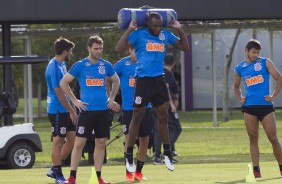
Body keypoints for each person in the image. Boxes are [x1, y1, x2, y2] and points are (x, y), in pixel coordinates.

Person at [115, 12, 189, 172]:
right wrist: (129, 30)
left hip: (159, 80)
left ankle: (167, 153)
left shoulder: (165, 35)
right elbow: (119, 48)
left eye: (159, 25)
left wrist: (180, 29)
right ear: (148, 24)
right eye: (154, 25)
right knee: (137, 115)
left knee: (163, 116)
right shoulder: (139, 34)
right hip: (143, 80)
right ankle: (128, 155)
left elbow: (185, 47)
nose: (157, 28)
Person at [60, 35, 120, 184]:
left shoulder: (106, 65)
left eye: (100, 48)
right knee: (79, 143)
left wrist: (111, 98)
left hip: (103, 111)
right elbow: (63, 83)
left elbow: (116, 80)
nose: (99, 51)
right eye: (96, 49)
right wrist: (75, 101)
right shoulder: (80, 65)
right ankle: (72, 177)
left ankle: (98, 177)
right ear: (89, 48)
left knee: (101, 143)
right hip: (87, 111)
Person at [233, 39, 282, 178]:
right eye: (253, 52)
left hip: (265, 107)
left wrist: (273, 96)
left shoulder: (265, 62)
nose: (255, 55)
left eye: (257, 52)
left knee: (273, 138)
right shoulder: (239, 68)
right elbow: (236, 87)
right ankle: (256, 170)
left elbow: (279, 79)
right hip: (249, 107)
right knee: (253, 138)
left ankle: (281, 167)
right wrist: (240, 98)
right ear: (246, 50)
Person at [114, 47, 154, 182]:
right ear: (130, 50)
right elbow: (109, 78)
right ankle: (128, 172)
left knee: (144, 140)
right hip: (129, 110)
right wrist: (111, 97)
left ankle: (139, 172)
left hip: (145, 108)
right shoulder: (121, 64)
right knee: (129, 140)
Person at [45, 37, 77, 184]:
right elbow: (59, 92)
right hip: (57, 109)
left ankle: (54, 168)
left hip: (65, 108)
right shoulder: (53, 67)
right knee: (58, 141)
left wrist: (74, 101)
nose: (70, 53)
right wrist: (71, 110)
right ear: (65, 51)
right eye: (70, 51)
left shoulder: (62, 64)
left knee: (72, 140)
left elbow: (66, 87)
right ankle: (58, 174)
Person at [154, 55, 182, 164]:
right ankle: (166, 153)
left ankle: (157, 156)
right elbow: (166, 89)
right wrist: (172, 105)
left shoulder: (159, 73)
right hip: (164, 105)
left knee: (159, 130)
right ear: (173, 64)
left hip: (155, 105)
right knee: (176, 128)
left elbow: (173, 90)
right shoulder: (167, 74)